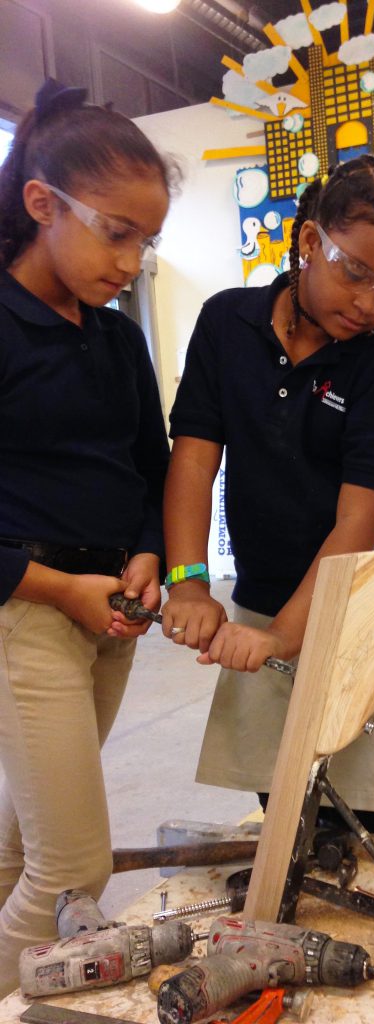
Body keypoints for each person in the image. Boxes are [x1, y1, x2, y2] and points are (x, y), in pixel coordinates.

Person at [163, 155, 374, 833]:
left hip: (358, 605)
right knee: (281, 796)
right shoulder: (227, 324)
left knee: (361, 811)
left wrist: (282, 637)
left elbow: (357, 527)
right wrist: (190, 583)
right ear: (310, 242)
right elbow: (195, 461)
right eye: (356, 274)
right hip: (263, 592)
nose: (371, 303)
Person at [0, 79, 175, 992]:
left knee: (24, 842)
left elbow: (151, 470)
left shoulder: (116, 344)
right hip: (27, 610)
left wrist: (150, 552)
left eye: (147, 241)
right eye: (117, 232)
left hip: (111, 614)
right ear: (42, 203)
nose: (132, 261)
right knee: (72, 870)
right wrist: (58, 589)